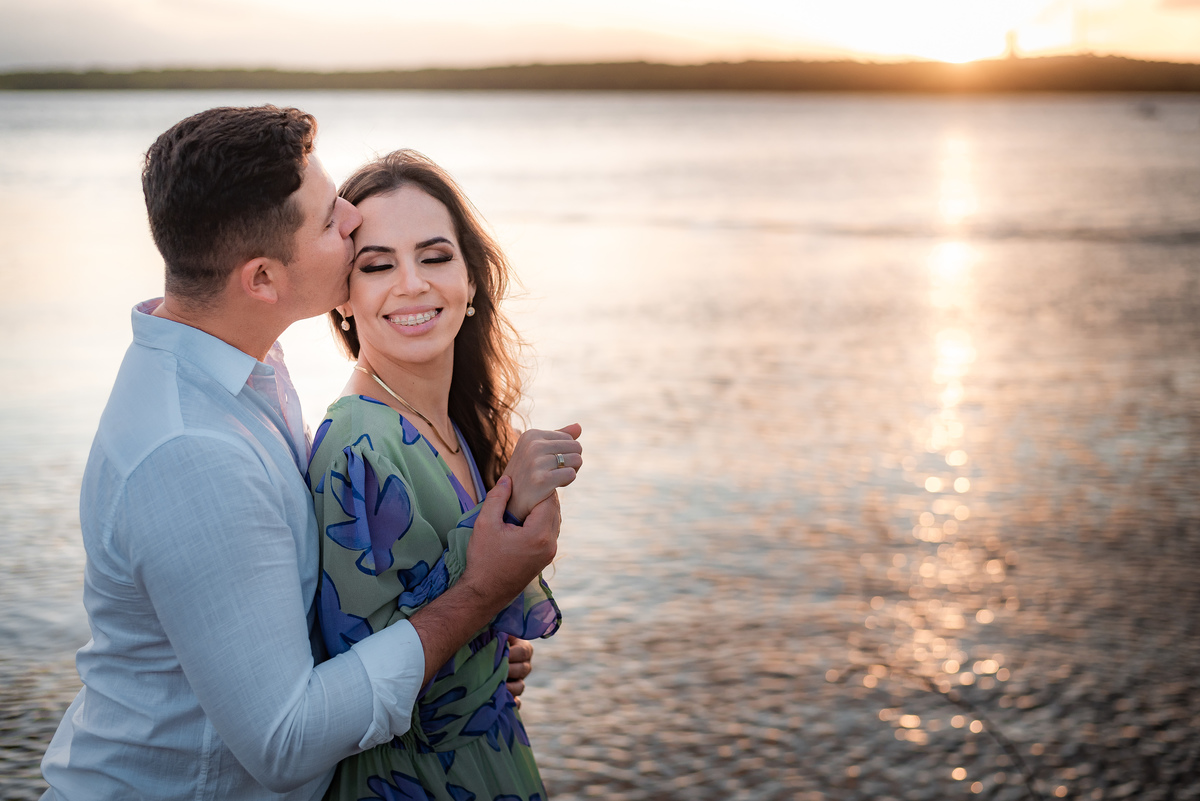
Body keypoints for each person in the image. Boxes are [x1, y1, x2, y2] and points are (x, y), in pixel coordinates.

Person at [40, 106, 561, 801]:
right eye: (327, 221)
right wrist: (477, 596)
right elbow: (285, 739)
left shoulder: (242, 363)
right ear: (261, 279)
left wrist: (470, 656)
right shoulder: (191, 452)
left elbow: (310, 614)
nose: (350, 218)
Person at [307, 150, 582, 801]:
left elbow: (439, 622)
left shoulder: (450, 423)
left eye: (434, 257)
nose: (411, 283)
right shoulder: (358, 446)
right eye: (377, 265)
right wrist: (507, 511)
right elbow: (362, 694)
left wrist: (490, 650)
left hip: (488, 762)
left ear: (472, 279)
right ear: (344, 299)